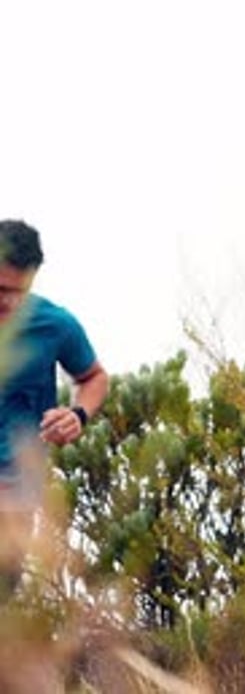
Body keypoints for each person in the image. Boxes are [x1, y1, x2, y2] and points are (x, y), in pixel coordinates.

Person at [0, 219, 108, 593]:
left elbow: (94, 377)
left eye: (18, 290)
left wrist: (77, 415)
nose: (6, 301)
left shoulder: (54, 325)